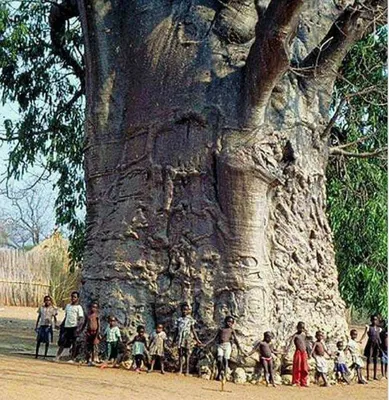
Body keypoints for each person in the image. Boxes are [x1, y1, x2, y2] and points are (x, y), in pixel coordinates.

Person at [204, 316, 244, 381]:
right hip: (220, 345)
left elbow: (236, 339)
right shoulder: (221, 329)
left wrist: (240, 347)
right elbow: (214, 338)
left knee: (225, 360)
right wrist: (206, 344)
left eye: (231, 322)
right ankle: (220, 372)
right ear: (225, 322)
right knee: (219, 359)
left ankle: (224, 375)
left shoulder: (231, 330)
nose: (229, 323)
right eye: (228, 321)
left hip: (227, 345)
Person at [55, 291, 84, 362]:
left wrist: (78, 328)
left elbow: (81, 318)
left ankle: (72, 358)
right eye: (72, 297)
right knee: (62, 342)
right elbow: (66, 317)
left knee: (74, 343)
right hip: (66, 326)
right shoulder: (68, 306)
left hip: (74, 326)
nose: (73, 298)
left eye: (75, 297)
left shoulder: (79, 307)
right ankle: (58, 356)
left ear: (77, 298)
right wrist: (61, 325)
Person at [173, 303, 202, 375]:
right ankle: (180, 370)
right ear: (181, 310)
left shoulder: (190, 319)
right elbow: (176, 331)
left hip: (187, 337)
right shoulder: (178, 320)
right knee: (180, 354)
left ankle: (187, 371)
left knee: (187, 354)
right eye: (183, 310)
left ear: (188, 311)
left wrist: (197, 339)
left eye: (186, 310)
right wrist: (174, 340)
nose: (184, 311)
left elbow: (193, 330)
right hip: (180, 337)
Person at [285, 321, 309, 387]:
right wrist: (286, 351)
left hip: (304, 352)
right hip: (298, 352)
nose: (301, 329)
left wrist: (309, 353)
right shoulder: (295, 335)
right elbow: (290, 343)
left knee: (304, 367)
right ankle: (296, 381)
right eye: (300, 328)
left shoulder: (304, 335)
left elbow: (306, 343)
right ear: (297, 327)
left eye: (303, 328)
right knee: (297, 367)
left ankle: (303, 381)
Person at [361, 314, 382, 380]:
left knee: (375, 359)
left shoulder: (379, 329)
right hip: (370, 345)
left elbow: (379, 337)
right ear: (371, 320)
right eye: (373, 319)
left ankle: (375, 376)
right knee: (369, 359)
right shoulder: (368, 327)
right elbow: (364, 334)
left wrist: (381, 345)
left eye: (375, 320)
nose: (374, 321)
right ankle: (367, 375)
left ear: (377, 320)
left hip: (377, 345)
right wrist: (360, 340)